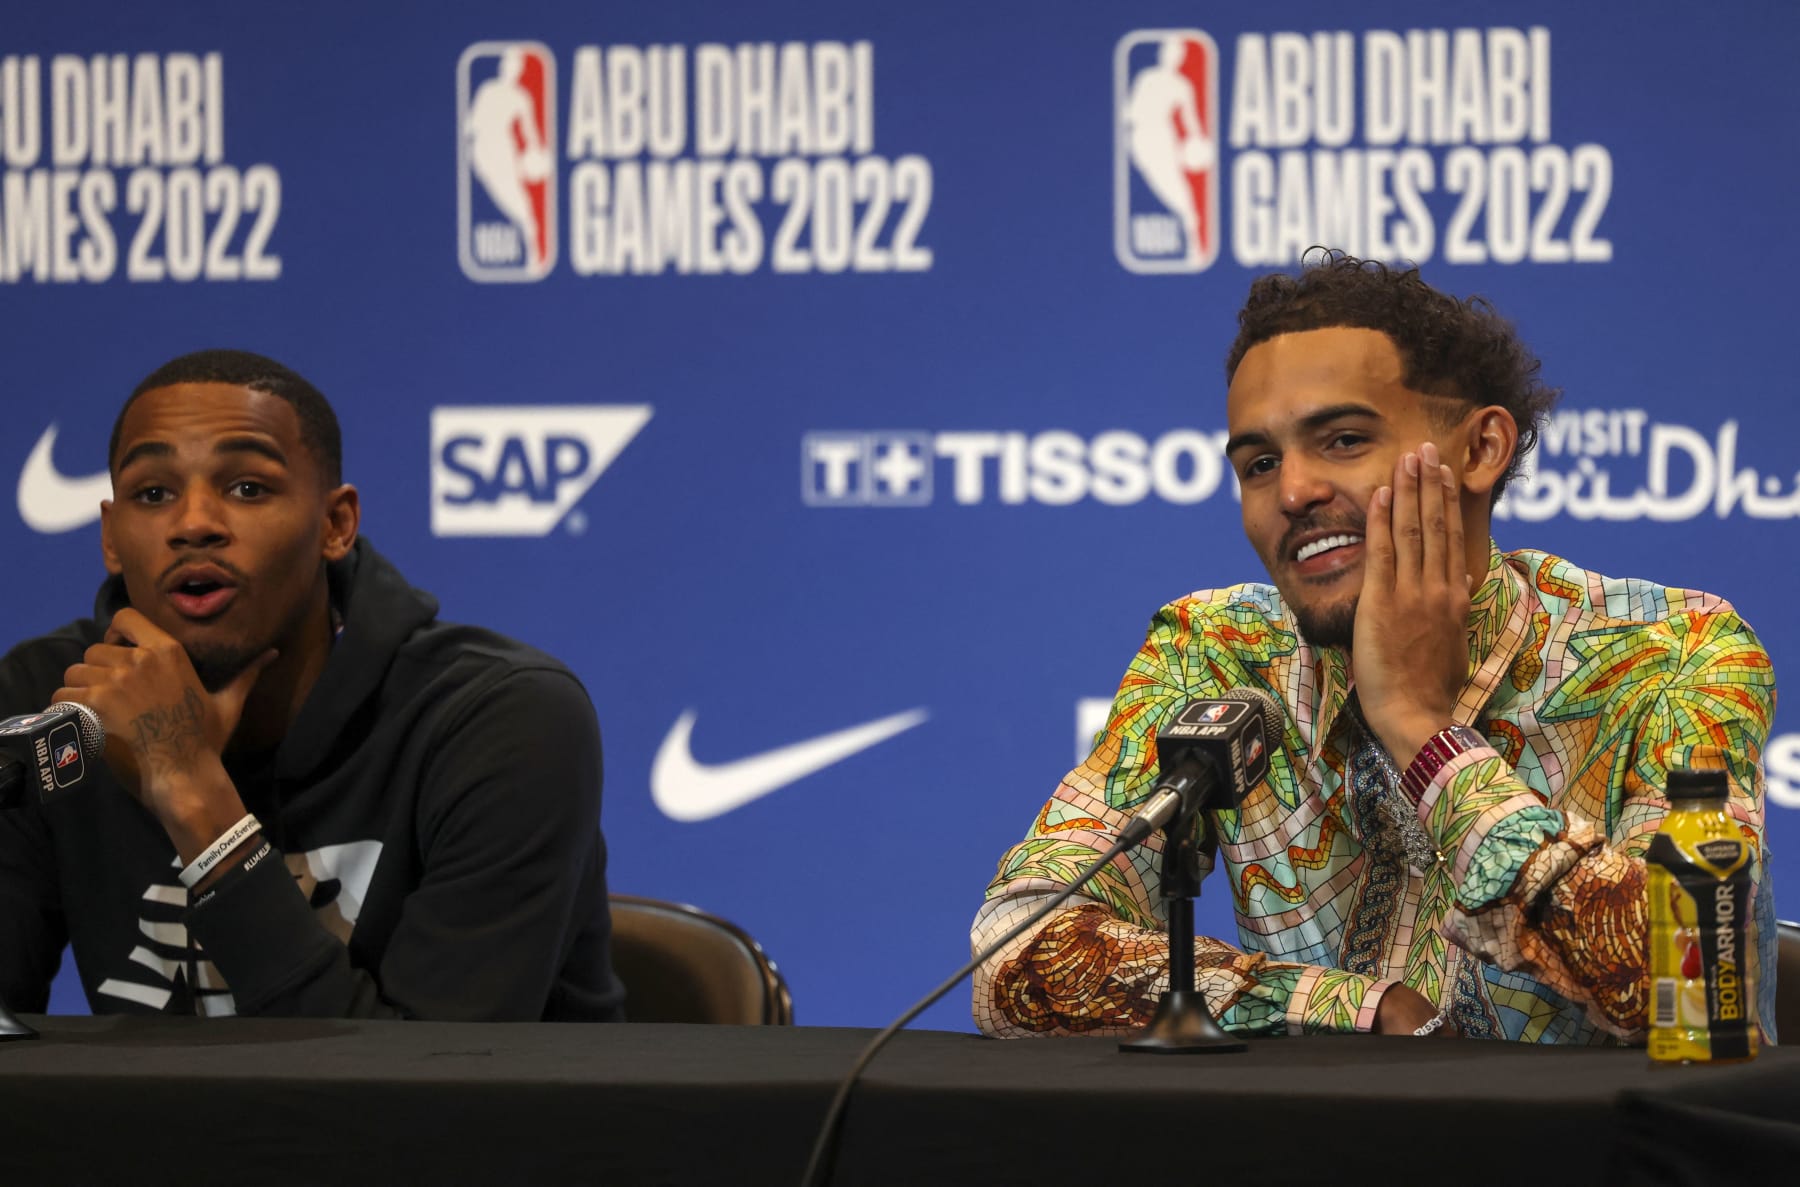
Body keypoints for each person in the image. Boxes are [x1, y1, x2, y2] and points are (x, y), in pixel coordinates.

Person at [972, 252, 1776, 1043]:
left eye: (1345, 440)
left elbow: (1697, 984)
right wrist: (1351, 1007)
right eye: (1259, 463)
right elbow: (1017, 943)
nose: (1293, 492)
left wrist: (1424, 735)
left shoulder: (1674, 654)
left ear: (1480, 449)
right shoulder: (1218, 655)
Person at [0, 350, 624, 1021]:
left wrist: (190, 789)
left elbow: (430, 1102)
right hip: (156, 1131)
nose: (194, 523)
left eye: (247, 488)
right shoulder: (52, 705)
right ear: (111, 537)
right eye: (153, 493)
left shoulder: (499, 721)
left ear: (336, 526)